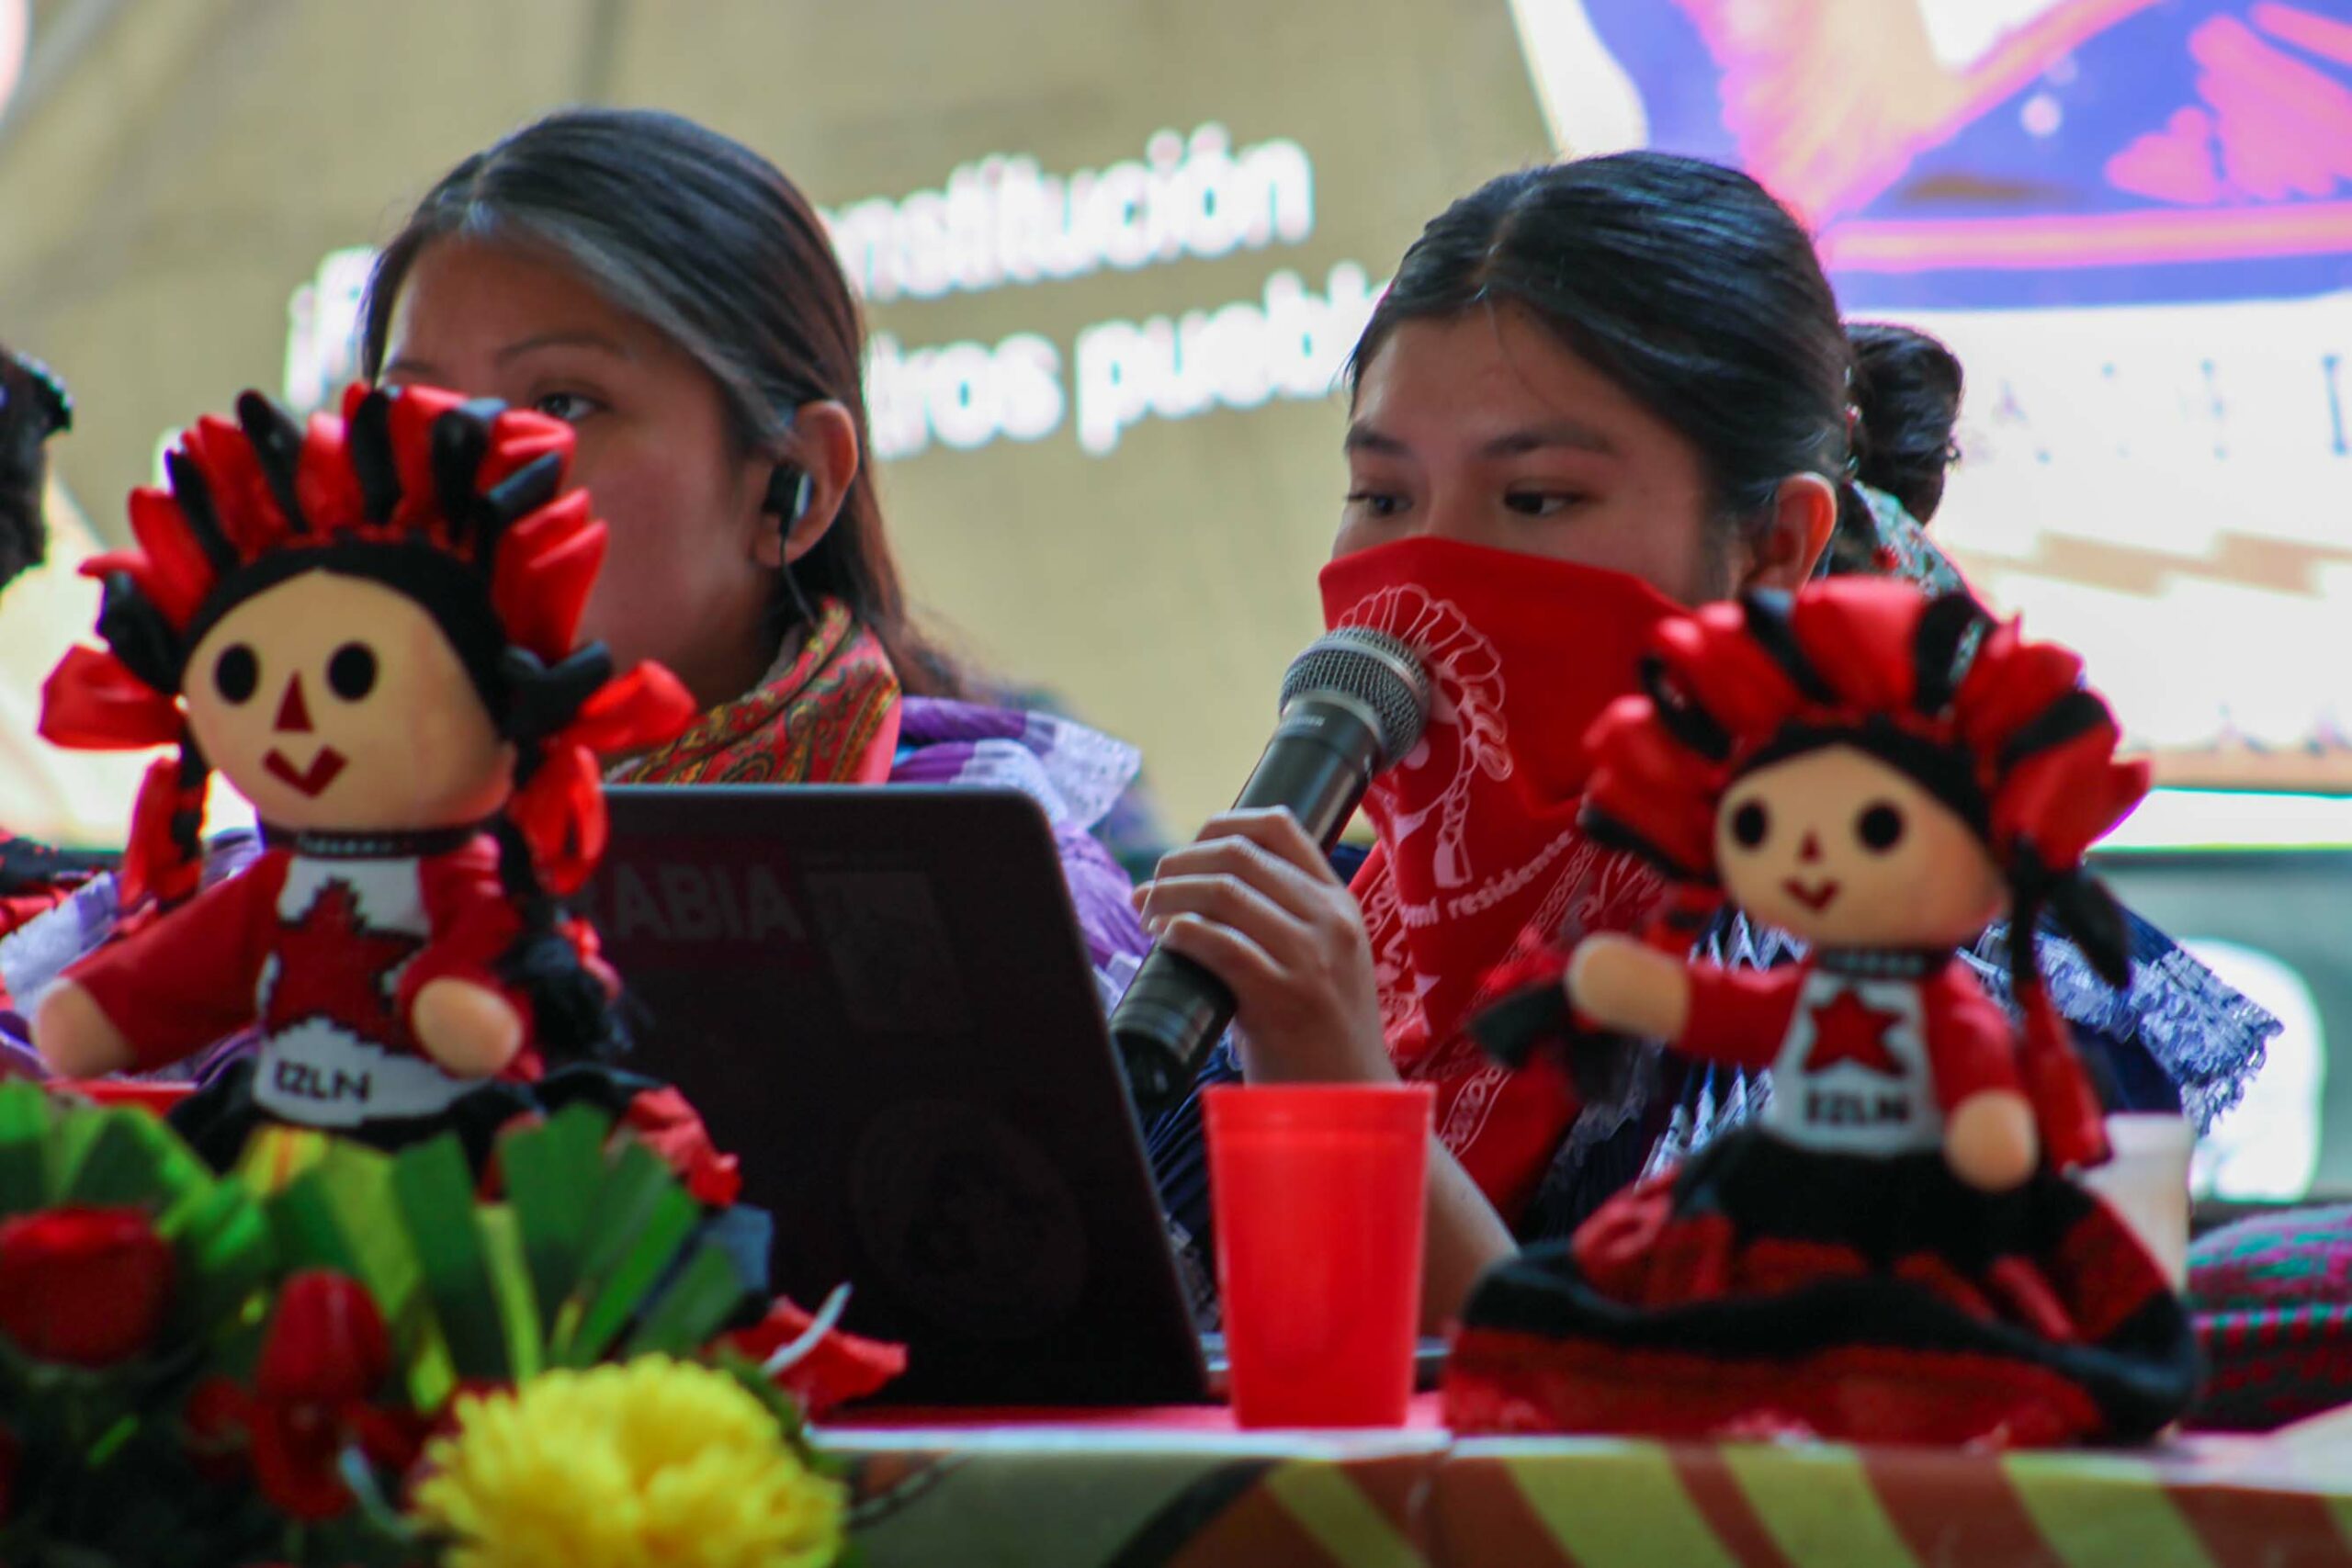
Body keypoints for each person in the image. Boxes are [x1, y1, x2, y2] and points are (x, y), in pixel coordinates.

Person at [1137, 152, 2273, 1330]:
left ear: (1775, 546)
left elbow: (1705, 1479)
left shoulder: (1942, 964)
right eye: (1381, 499)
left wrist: (1348, 1108)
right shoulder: (1306, 940)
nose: (1427, 570)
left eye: (1535, 501)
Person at [358, 108, 1150, 978]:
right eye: (419, 413)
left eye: (561, 404)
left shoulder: (980, 878)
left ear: (794, 483)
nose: (467, 468)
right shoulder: (315, 858)